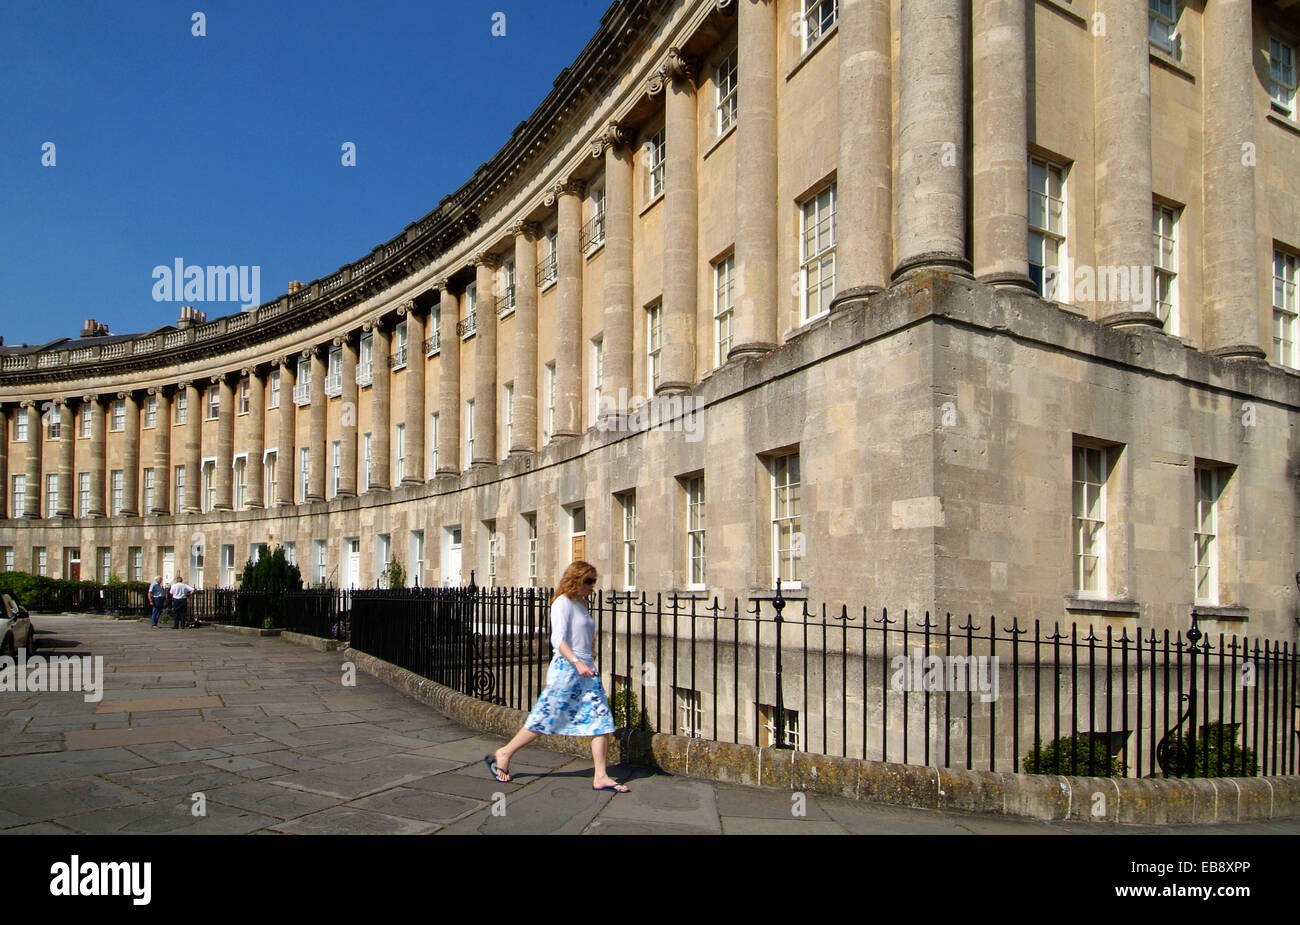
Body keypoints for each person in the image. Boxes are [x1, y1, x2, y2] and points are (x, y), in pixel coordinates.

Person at [486, 561, 629, 793]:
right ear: (575, 580)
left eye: (594, 581)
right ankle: (504, 753)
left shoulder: (581, 603)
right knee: (547, 717)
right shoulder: (562, 603)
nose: (593, 586)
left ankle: (601, 775)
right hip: (567, 668)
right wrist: (577, 662)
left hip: (586, 668)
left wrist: (586, 663)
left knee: (601, 719)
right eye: (588, 581)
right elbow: (557, 640)